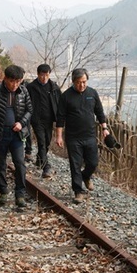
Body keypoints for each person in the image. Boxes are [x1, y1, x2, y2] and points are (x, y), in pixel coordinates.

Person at [55, 68, 109, 203]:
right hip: (73, 137)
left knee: (93, 163)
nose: (82, 85)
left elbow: (100, 112)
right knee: (75, 164)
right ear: (73, 82)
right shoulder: (66, 96)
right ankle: (78, 191)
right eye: (79, 82)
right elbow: (60, 117)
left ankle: (86, 176)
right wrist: (59, 136)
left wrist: (105, 128)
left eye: (84, 82)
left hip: (90, 135)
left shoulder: (92, 93)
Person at [0, 65, 33, 207]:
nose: (15, 85)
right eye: (12, 81)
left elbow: (29, 110)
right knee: (1, 163)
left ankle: (20, 194)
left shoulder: (23, 91)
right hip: (0, 133)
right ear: (5, 79)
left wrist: (21, 123)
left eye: (18, 81)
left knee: (20, 163)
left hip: (16, 134)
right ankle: (3, 191)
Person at [27, 64, 61, 178]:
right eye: (42, 75)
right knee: (41, 142)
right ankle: (46, 167)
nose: (44, 77)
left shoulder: (54, 87)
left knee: (47, 142)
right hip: (36, 119)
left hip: (49, 119)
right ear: (38, 74)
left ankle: (39, 159)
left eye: (46, 75)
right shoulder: (31, 87)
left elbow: (60, 103)